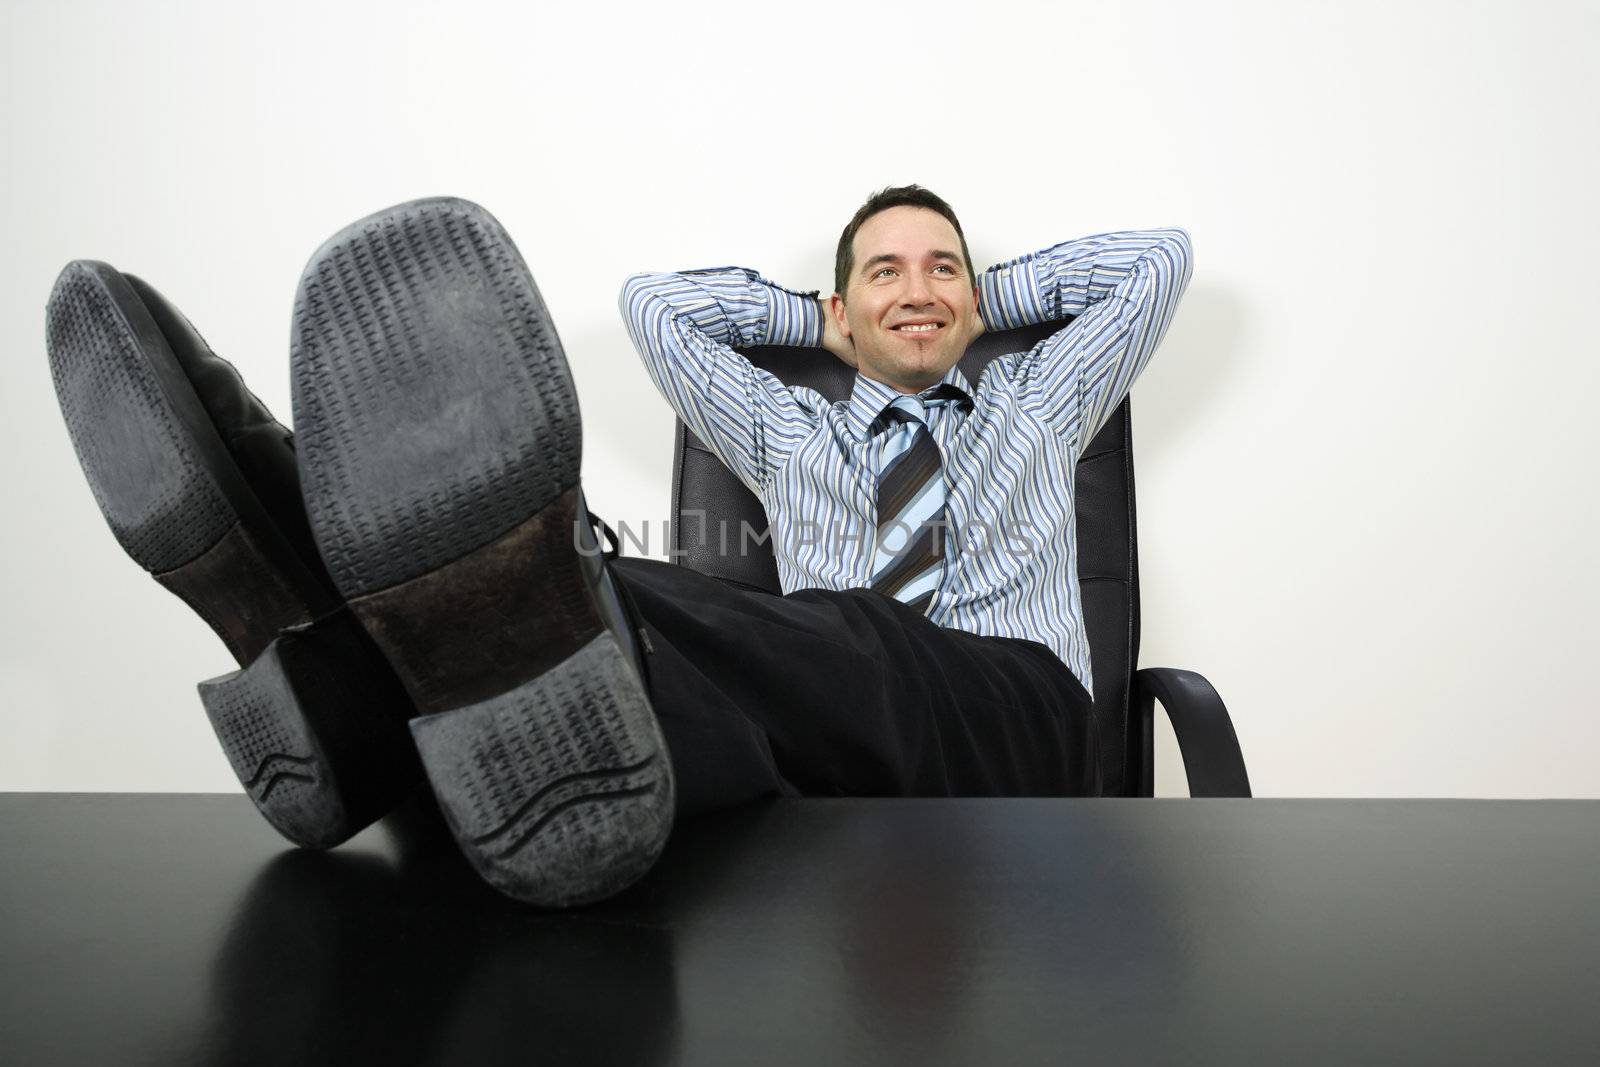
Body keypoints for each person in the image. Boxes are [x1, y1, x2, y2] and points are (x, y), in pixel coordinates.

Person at [45, 187, 1191, 910]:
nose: (917, 287)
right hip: (839, 737)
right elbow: (656, 303)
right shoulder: (789, 428)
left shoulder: (1037, 403)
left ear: (977, 299)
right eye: (883, 270)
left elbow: (1158, 259)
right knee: (630, 630)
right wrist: (819, 317)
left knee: (821, 628)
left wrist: (983, 299)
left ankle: (324, 615)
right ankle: (356, 704)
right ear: (839, 306)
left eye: (942, 266)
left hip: (1015, 724)